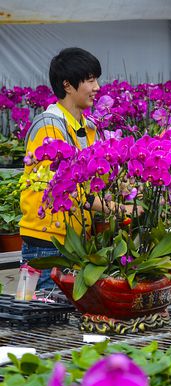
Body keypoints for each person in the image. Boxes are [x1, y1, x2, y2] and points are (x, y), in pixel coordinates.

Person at [19, 47, 102, 290]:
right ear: (67, 85)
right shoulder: (48, 126)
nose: (97, 87)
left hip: (75, 238)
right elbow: (60, 187)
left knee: (62, 316)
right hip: (47, 241)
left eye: (96, 79)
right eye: (90, 80)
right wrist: (113, 208)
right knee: (42, 317)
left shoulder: (88, 127)